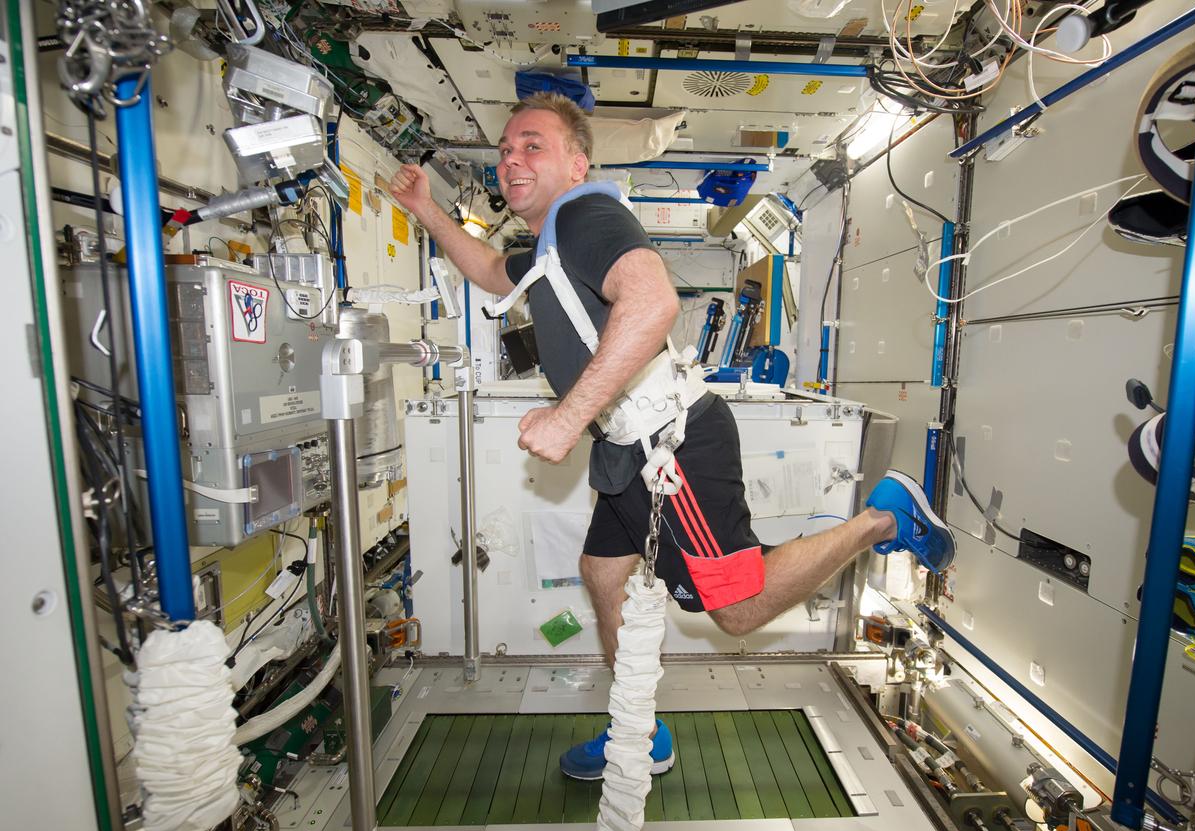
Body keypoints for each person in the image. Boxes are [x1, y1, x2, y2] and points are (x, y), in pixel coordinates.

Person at [390, 92, 955, 781]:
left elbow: (653, 301)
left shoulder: (584, 217)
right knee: (602, 573)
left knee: (738, 608)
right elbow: (485, 268)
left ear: (577, 163)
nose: (512, 159)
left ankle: (882, 516)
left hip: (669, 446)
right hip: (626, 449)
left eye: (533, 145)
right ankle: (639, 727)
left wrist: (568, 416)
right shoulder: (546, 249)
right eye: (506, 149)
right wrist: (424, 208)